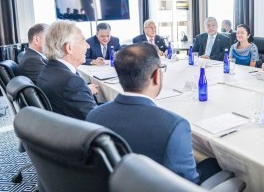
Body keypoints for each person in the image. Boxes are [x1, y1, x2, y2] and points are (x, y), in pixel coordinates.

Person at [86, 43, 221, 184]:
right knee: (213, 164)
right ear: (157, 75)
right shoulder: (174, 125)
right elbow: (187, 183)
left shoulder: (93, 115)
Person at [37, 21, 98, 120]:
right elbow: (95, 119)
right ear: (69, 48)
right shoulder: (72, 82)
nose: (88, 46)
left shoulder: (48, 70)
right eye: (83, 41)